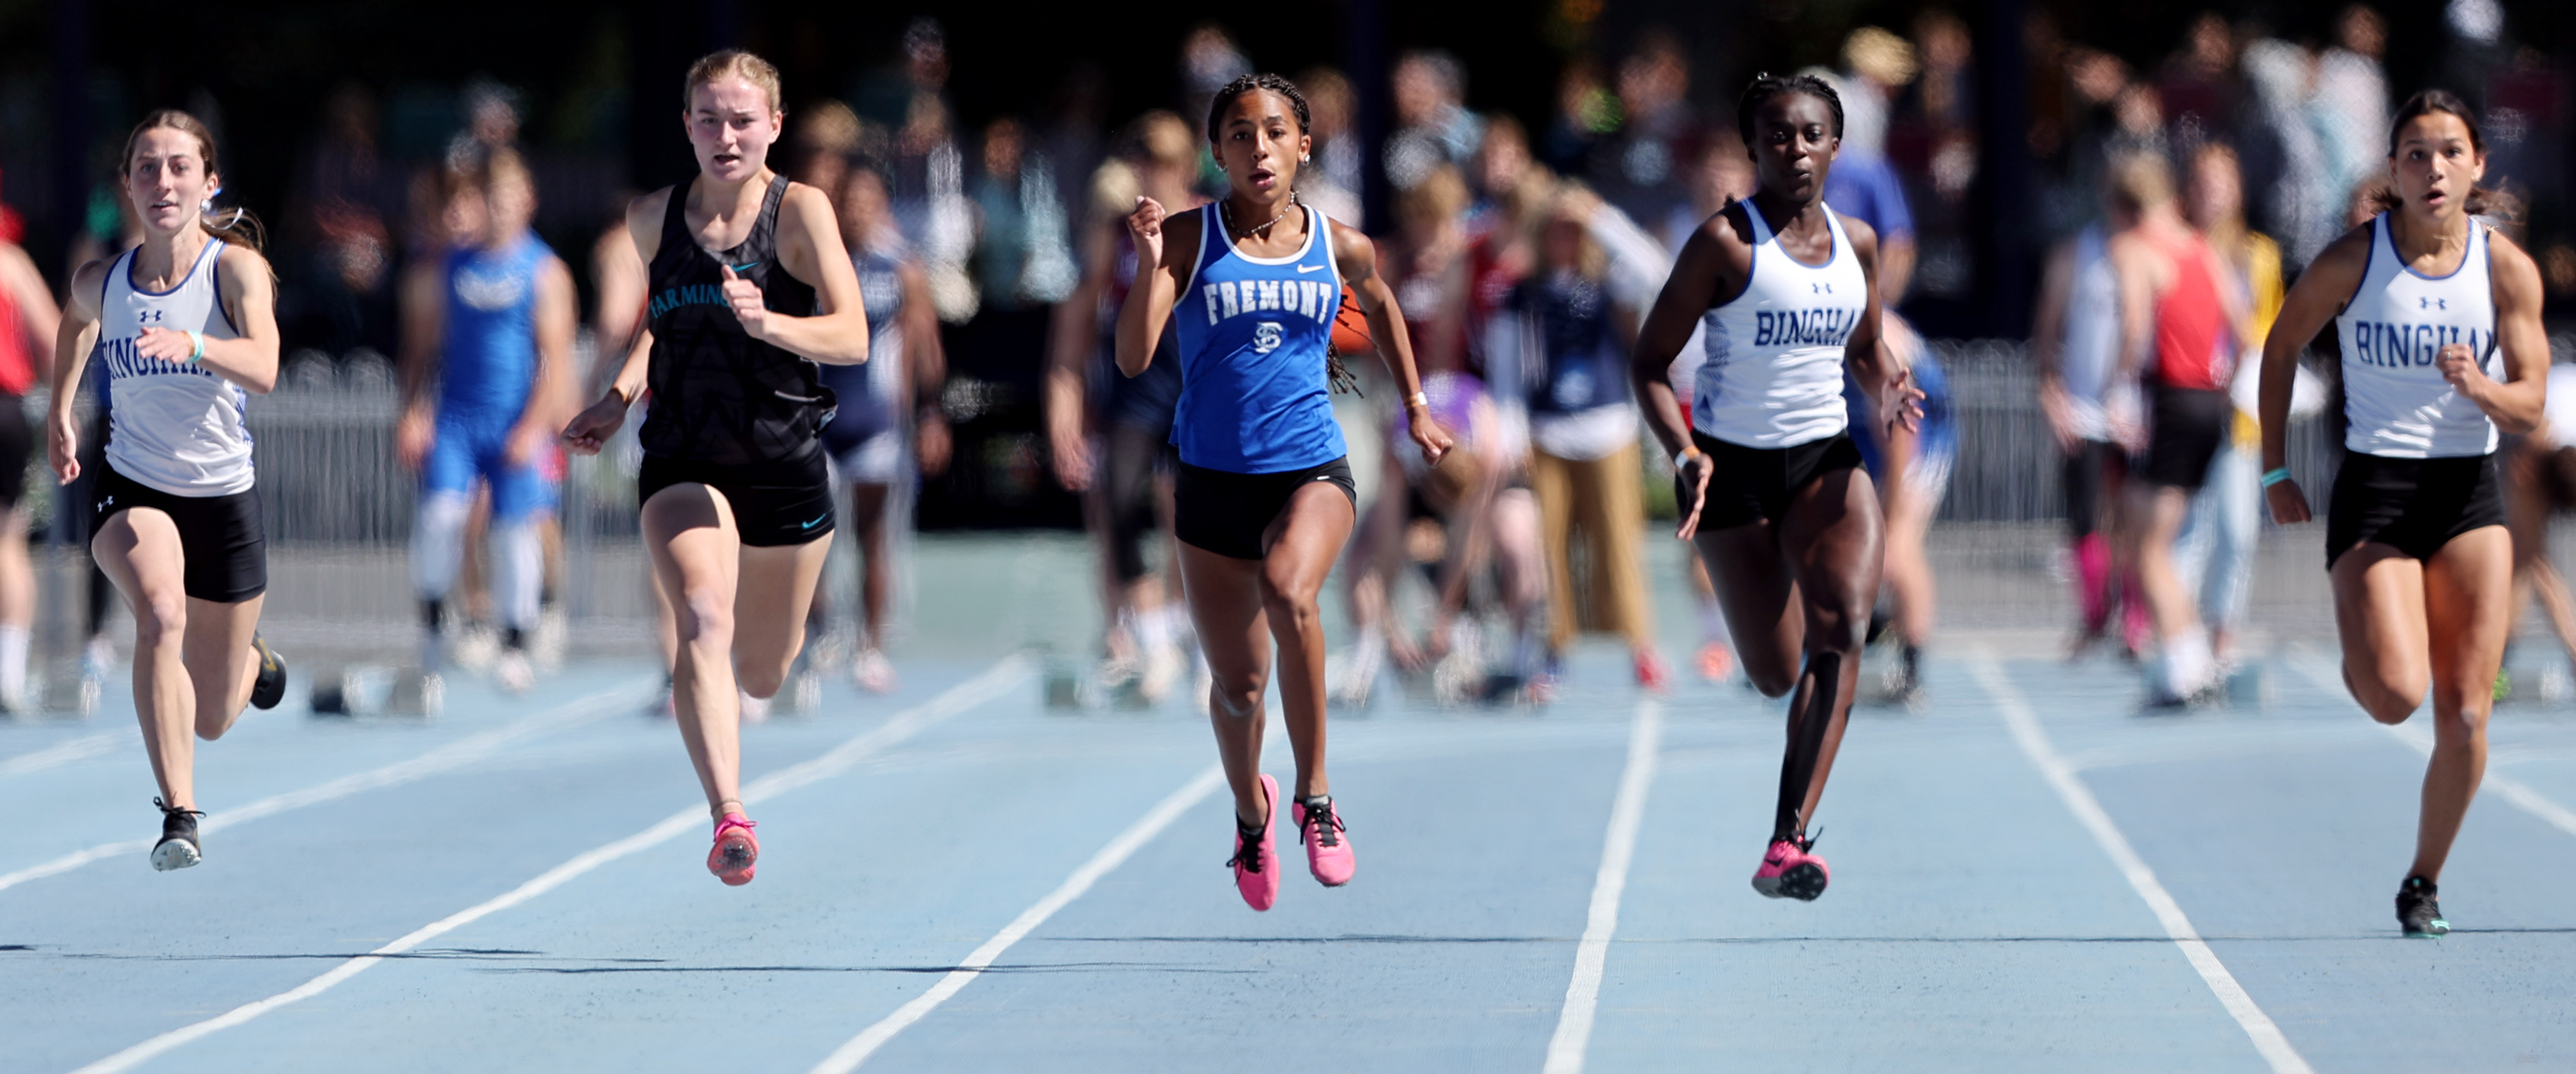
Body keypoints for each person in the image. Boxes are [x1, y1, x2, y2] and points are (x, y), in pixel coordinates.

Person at [1116, 73, 1450, 912]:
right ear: (1217, 151)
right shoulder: (1190, 239)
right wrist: (1149, 265)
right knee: (1237, 688)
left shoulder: (1341, 244)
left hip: (1311, 468)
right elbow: (1129, 357)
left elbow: (1383, 305)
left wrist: (1415, 406)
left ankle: (1317, 798)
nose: (1257, 148)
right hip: (1210, 482)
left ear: (1303, 144)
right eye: (1238, 134)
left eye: (1273, 133)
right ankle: (1250, 813)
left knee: (1291, 590)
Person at [561, 51, 871, 886]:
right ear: (686, 125)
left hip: (783, 461)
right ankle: (729, 813)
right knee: (701, 613)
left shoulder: (799, 212)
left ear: (774, 125)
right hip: (683, 454)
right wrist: (619, 398)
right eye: (709, 118)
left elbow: (852, 336)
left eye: (742, 120)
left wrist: (770, 323)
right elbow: (662, 322)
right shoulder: (651, 217)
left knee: (763, 668)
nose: (725, 135)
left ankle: (766, 671)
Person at [2257, 90, 2549, 937]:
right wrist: (2274, 466)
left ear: (2478, 164)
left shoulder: (2504, 269)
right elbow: (2280, 346)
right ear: (2392, 169)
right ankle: (2369, 642)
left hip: (2468, 495)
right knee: (2394, 695)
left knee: (2464, 713)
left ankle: (2423, 880)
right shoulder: (2355, 259)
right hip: (2378, 490)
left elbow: (2528, 406)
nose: (2433, 169)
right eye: (2416, 154)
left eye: (2450, 153)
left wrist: (2481, 387)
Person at [1629, 74, 1918, 903]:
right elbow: (1648, 363)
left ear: (1837, 144)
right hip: (1730, 472)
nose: (1796, 149)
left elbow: (1863, 346)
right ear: (1754, 147)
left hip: (1826, 462)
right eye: (1779, 136)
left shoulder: (1857, 241)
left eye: (1813, 134)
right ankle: (1788, 764)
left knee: (1845, 630)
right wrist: (1682, 452)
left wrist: (1886, 385)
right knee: (1774, 669)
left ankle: (1788, 840)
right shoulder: (1724, 244)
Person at [46, 111, 290, 871]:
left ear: (208, 182)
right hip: (133, 483)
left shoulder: (232, 269)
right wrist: (60, 408)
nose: (163, 182)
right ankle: (179, 813)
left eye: (179, 167)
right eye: (147, 168)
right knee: (159, 611)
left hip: (222, 496)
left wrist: (193, 343)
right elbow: (76, 323)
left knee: (215, 712)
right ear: (127, 186)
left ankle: (255, 664)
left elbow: (266, 366)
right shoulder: (106, 279)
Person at [396, 148, 575, 695]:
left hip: (515, 421)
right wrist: (413, 411)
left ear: (527, 202)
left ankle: (515, 642)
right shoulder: (451, 264)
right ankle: (433, 623)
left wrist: (533, 427)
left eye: (504, 200)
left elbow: (556, 358)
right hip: (457, 417)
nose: (494, 211)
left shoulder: (543, 270)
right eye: (486, 200)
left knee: (515, 531)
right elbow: (421, 348)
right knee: (441, 518)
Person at [1047, 112, 1199, 702]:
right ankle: (1152, 640)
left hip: (1195, 388)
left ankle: (1198, 637)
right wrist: (1065, 421)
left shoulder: (1210, 223)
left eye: (1161, 159)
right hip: (1136, 390)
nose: (1150, 170)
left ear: (1184, 165)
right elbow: (1073, 332)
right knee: (1120, 501)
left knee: (1194, 517)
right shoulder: (1112, 233)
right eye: (1141, 158)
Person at [1499, 191, 1668, 691]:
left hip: (1608, 426)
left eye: (1573, 230)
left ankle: (1641, 647)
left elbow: (1656, 271)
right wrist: (1514, 434)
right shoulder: (1521, 294)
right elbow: (1508, 370)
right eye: (1556, 228)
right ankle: (1554, 650)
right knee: (1550, 549)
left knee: (1619, 541)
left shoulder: (1607, 283)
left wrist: (1601, 216)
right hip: (1549, 431)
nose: (1564, 239)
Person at [2106, 153, 2249, 706]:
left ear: (2122, 206)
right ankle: (2192, 659)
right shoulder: (2203, 247)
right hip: (2209, 403)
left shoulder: (2135, 249)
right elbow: (2240, 326)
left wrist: (2120, 388)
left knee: (2147, 548)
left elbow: (2137, 325)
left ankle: (2183, 666)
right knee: (2158, 542)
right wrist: (2225, 383)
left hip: (2168, 398)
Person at [813, 166, 946, 693]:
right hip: (818, 417)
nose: (857, 212)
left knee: (873, 535)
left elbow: (926, 342)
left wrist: (932, 412)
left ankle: (870, 644)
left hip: (876, 419)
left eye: (868, 203)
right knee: (812, 536)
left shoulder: (900, 268)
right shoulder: (815, 264)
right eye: (849, 202)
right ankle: (819, 631)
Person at [2175, 143, 2286, 671]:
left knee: (2238, 529)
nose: (2212, 193)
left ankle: (2224, 628)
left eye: (2222, 182)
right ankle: (2177, 631)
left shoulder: (2259, 255)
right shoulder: (2174, 248)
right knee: (2187, 532)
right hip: (2185, 401)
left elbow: (2273, 326)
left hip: (2237, 411)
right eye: (2202, 182)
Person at [2032, 179, 2142, 658]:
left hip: (2133, 409)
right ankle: (2095, 613)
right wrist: (2051, 391)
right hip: (2082, 407)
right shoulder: (2076, 253)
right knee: (2083, 516)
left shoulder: (2151, 254)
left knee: (2133, 518)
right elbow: (2046, 328)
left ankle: (2135, 619)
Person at [0, 228, 59, 710]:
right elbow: (53, 338)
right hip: (7, 409)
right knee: (7, 541)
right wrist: (61, 403)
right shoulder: (10, 262)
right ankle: (9, 671)